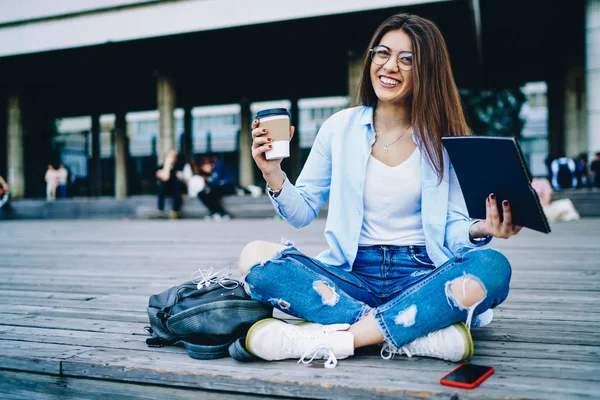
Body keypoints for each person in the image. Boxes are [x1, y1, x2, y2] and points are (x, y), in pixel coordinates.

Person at [237, 13, 522, 368]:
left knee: (492, 266)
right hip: (351, 275)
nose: (390, 66)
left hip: (421, 273)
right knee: (255, 257)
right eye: (382, 53)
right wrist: (273, 173)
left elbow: (451, 227)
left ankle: (341, 337)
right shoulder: (339, 127)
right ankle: (416, 331)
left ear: (427, 71)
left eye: (407, 59)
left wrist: (481, 229)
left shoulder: (447, 138)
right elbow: (302, 211)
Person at [197, 156, 236, 220]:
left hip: (228, 186)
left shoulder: (218, 166)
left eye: (205, 166)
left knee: (212, 192)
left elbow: (216, 180)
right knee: (201, 194)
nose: (204, 168)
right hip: (217, 188)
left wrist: (210, 188)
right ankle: (215, 211)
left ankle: (222, 213)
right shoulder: (209, 173)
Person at [155, 149, 184, 219]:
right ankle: (160, 210)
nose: (170, 158)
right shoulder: (161, 167)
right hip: (165, 190)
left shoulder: (178, 166)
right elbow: (165, 177)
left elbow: (181, 178)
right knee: (162, 184)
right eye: (168, 156)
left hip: (175, 190)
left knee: (177, 184)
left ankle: (175, 210)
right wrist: (167, 165)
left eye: (172, 156)